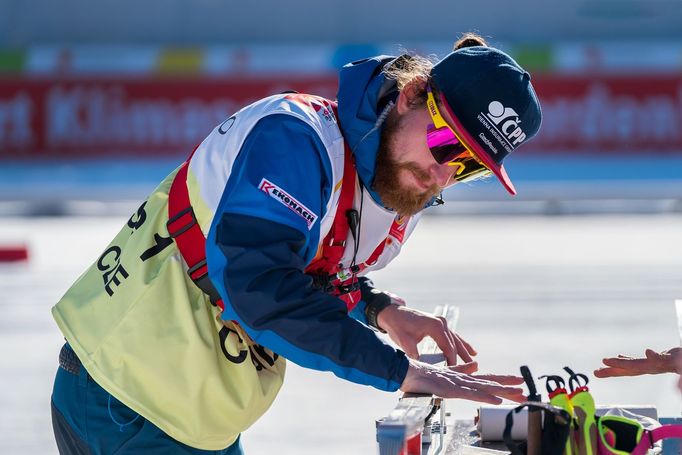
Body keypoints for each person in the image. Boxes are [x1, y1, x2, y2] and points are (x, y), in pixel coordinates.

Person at [50, 33, 542, 454]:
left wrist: (377, 308)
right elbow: (260, 287)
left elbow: (315, 267)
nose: (443, 172)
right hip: (125, 394)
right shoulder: (296, 139)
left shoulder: (397, 181)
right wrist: (397, 369)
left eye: (469, 167)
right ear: (412, 94)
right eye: (446, 143)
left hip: (193, 407)